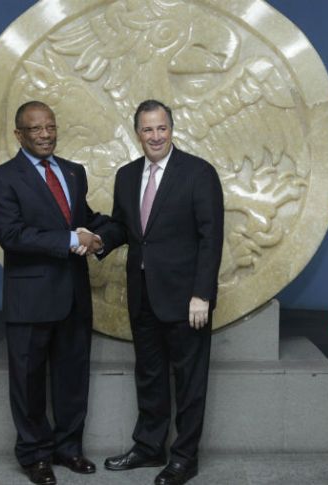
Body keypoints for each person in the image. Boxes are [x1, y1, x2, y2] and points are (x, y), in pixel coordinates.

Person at [96, 99, 224, 485]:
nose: (156, 136)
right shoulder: (126, 176)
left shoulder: (198, 173)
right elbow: (124, 229)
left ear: (172, 129)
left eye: (162, 128)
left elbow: (211, 238)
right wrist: (97, 240)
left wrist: (202, 294)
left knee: (189, 382)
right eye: (148, 129)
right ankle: (149, 448)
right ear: (138, 133)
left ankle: (184, 457)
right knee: (149, 376)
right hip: (143, 296)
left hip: (187, 301)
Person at [0, 101, 107, 485]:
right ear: (18, 134)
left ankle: (69, 449)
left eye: (50, 127)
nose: (45, 134)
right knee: (28, 383)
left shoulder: (73, 171)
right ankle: (34, 455)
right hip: (30, 301)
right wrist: (73, 239)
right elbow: (12, 235)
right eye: (35, 129)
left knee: (73, 380)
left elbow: (84, 219)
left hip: (73, 297)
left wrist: (110, 234)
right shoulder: (1, 179)